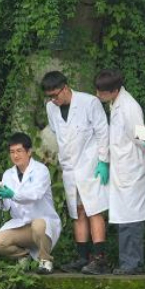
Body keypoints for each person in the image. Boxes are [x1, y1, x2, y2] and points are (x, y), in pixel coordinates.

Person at [41, 71, 111, 273]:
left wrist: (103, 161)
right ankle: (82, 257)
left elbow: (103, 132)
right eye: (50, 97)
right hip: (70, 168)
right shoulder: (51, 108)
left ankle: (100, 259)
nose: (53, 100)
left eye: (55, 95)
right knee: (77, 211)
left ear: (65, 87)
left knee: (94, 209)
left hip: (91, 165)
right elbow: (59, 133)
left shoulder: (89, 103)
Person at [92, 69, 145, 275]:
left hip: (133, 170)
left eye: (101, 92)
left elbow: (141, 137)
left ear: (114, 90)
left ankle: (132, 264)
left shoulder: (129, 107)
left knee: (131, 219)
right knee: (124, 218)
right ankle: (128, 262)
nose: (98, 96)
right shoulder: (115, 103)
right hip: (122, 169)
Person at [0, 133, 62, 274]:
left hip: (42, 224)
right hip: (22, 225)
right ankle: (23, 257)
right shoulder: (8, 174)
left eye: (19, 151)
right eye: (12, 152)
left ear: (29, 152)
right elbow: (5, 206)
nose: (15, 156)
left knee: (38, 225)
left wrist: (12, 194)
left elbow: (35, 195)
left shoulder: (41, 170)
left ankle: (45, 261)